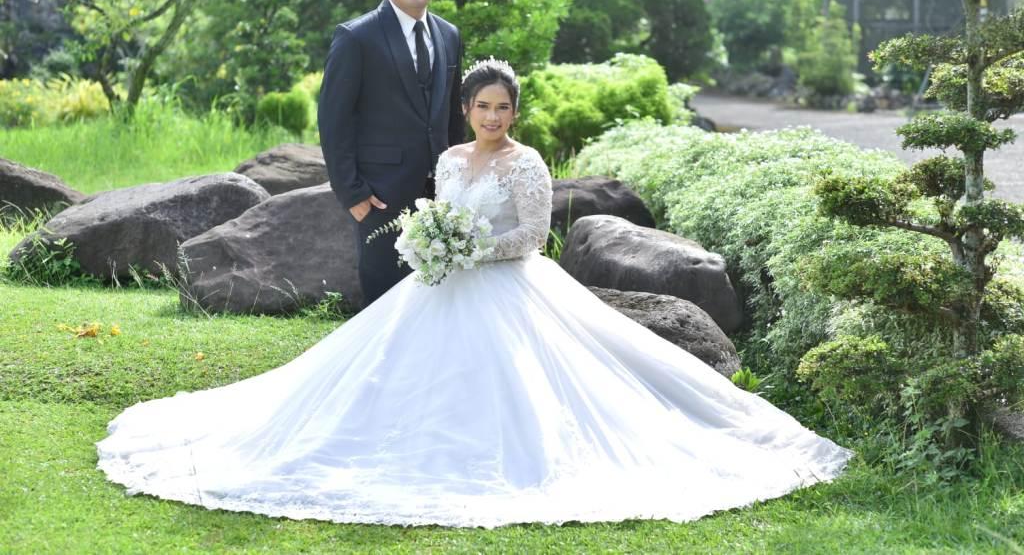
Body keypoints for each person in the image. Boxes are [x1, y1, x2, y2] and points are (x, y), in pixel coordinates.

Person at [97, 60, 851, 527]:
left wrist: (466, 249)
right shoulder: (452, 159)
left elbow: (531, 236)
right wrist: (432, 242)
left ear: (515, 112)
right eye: (483, 107)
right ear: (468, 111)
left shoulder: (527, 163)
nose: (494, 118)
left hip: (508, 284)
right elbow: (439, 210)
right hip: (439, 284)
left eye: (503, 107)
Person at [318, 0, 464, 306]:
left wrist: (461, 181)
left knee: (440, 301)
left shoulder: (449, 35)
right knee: (385, 302)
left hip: (441, 195)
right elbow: (333, 121)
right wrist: (353, 194)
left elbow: (452, 117)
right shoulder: (356, 37)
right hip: (380, 197)